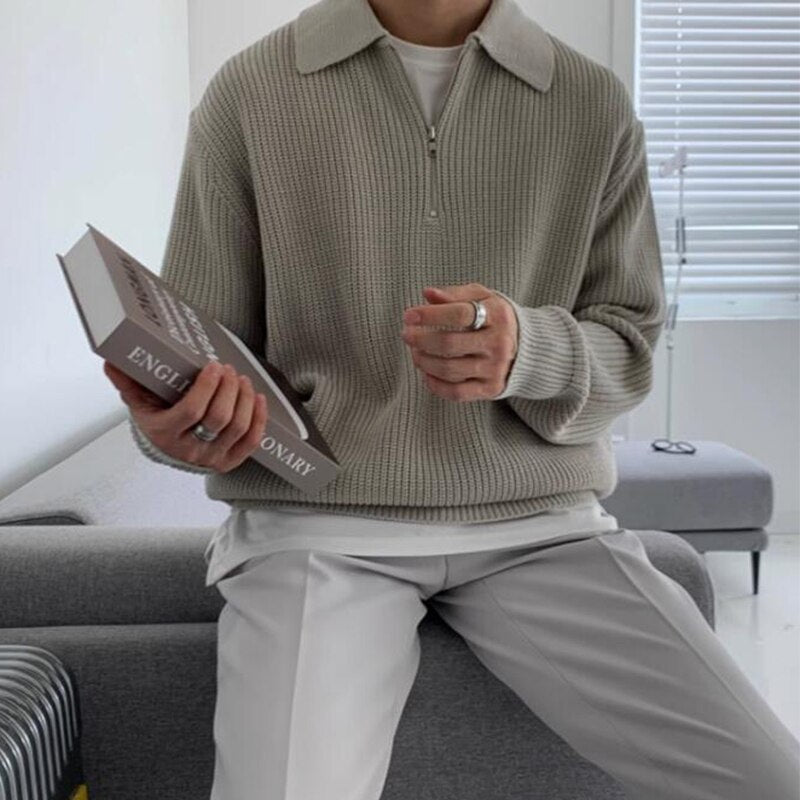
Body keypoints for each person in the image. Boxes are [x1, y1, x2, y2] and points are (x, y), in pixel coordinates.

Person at [103, 0, 800, 797]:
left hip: (544, 529)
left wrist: (527, 351)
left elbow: (629, 352)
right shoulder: (252, 91)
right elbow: (203, 352)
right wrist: (176, 426)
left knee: (770, 781)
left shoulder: (591, 102)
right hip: (317, 531)